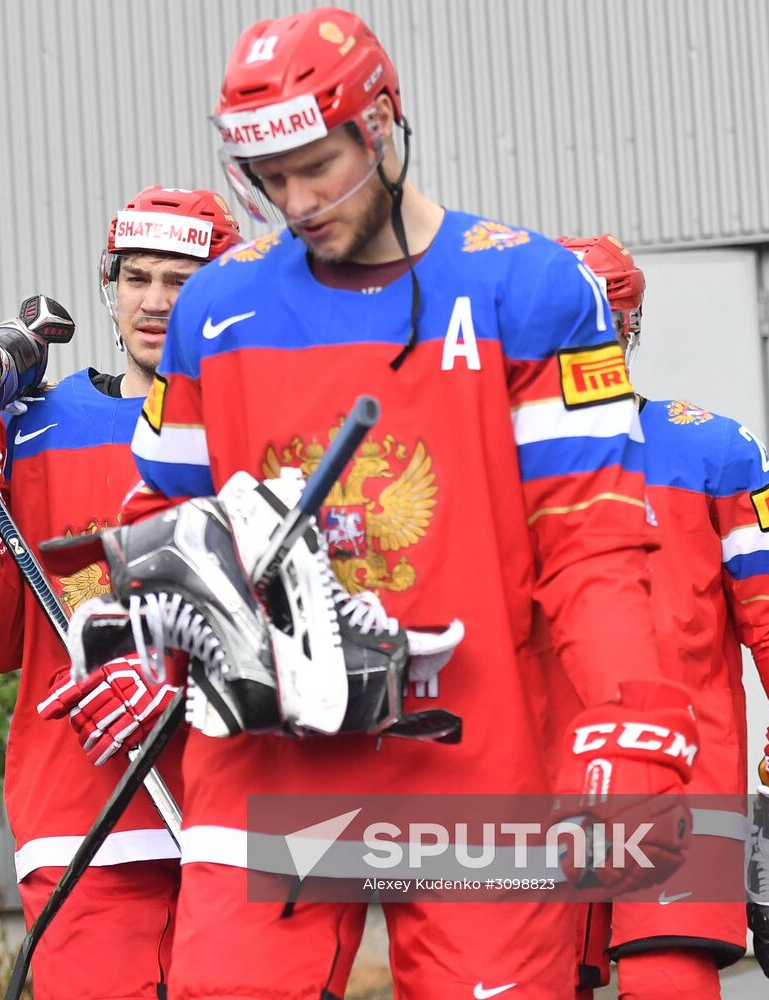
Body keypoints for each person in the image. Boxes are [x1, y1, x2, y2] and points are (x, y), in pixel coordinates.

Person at [112, 9, 699, 997]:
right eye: (266, 178)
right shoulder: (213, 309)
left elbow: (590, 544)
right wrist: (142, 639)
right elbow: (161, 520)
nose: (292, 200)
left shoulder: (533, 286)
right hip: (270, 767)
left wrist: (624, 707)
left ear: (380, 124)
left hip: (477, 767)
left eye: (316, 165)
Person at [0, 186, 241, 999]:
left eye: (182, 280)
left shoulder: (263, 420)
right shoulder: (29, 427)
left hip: (237, 804)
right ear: (109, 285)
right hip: (80, 812)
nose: (155, 302)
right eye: (136, 278)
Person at [558, 234, 769, 1000]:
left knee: (667, 979)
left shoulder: (712, 450)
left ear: (628, 331)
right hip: (523, 780)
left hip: (682, 780)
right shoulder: (482, 459)